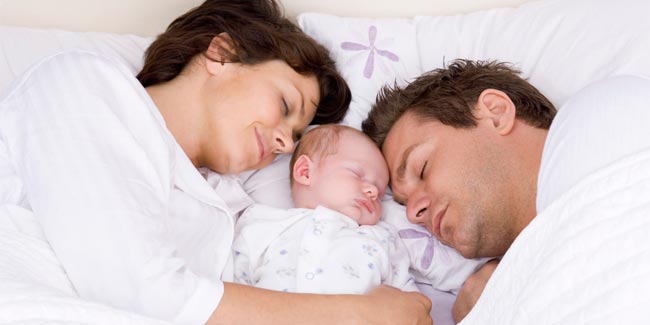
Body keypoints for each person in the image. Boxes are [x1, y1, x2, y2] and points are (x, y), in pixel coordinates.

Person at [0, 0, 432, 324]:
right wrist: (361, 314)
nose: (284, 141)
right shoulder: (86, 84)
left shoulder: (228, 208)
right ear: (222, 53)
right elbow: (141, 291)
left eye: (296, 136)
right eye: (285, 103)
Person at [362, 59, 650, 322]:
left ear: (496, 113)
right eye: (404, 202)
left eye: (421, 168)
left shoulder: (608, 112)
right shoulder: (497, 294)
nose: (413, 213)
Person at [233, 124, 418, 294]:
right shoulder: (265, 224)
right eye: (357, 174)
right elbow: (235, 287)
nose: (373, 190)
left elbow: (408, 301)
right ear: (305, 172)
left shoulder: (382, 237)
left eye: (379, 192)